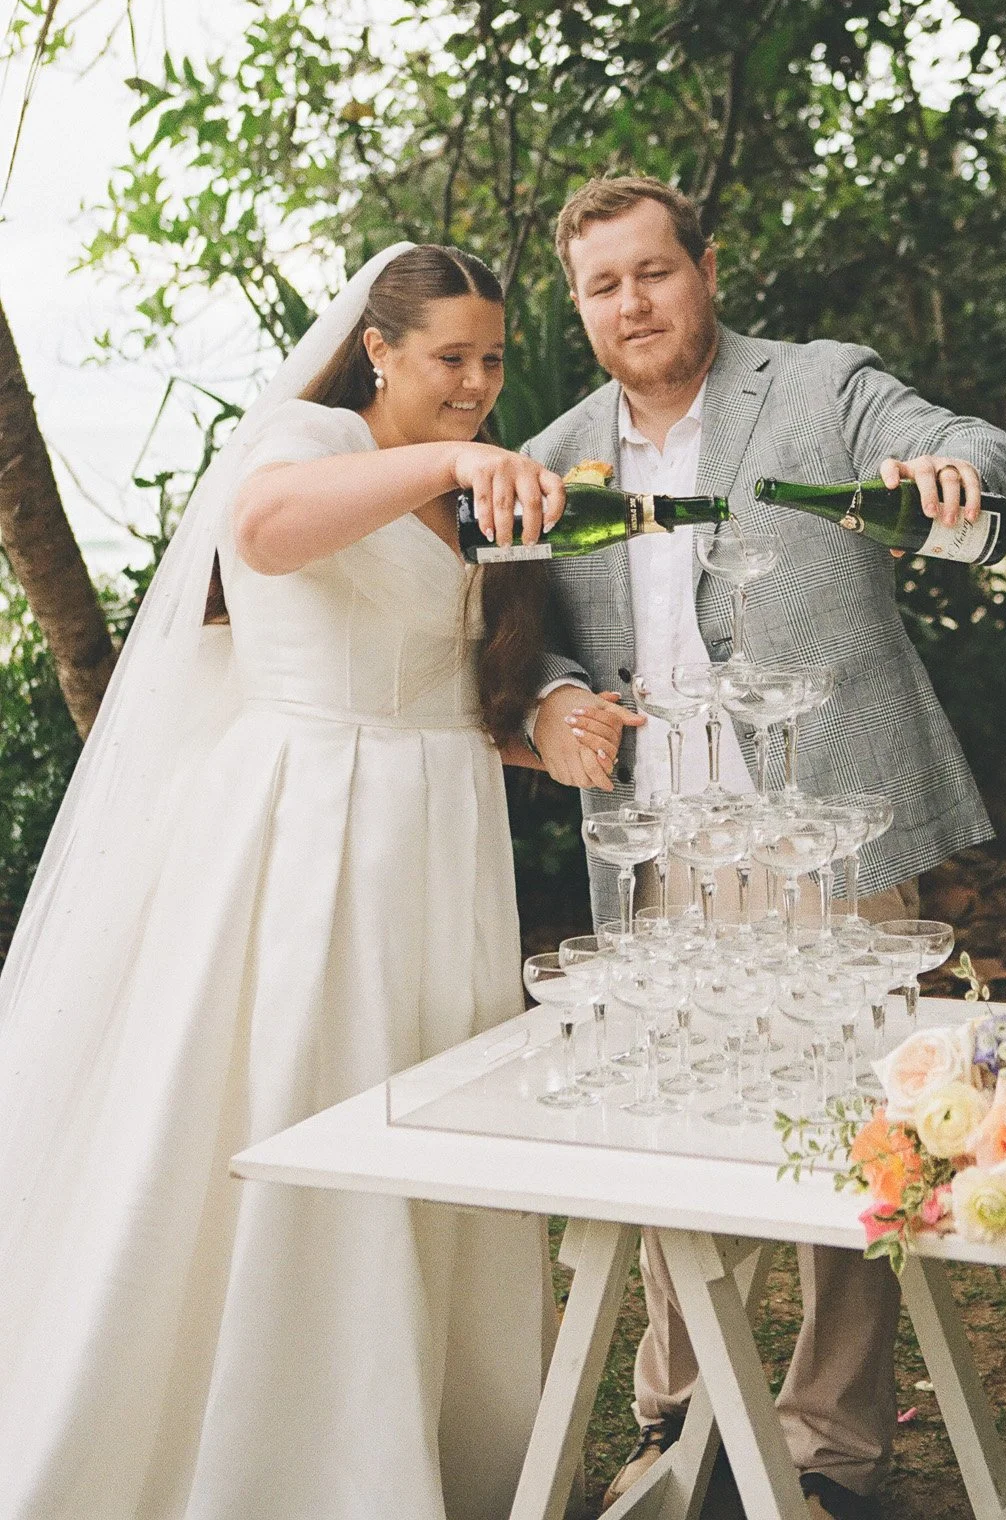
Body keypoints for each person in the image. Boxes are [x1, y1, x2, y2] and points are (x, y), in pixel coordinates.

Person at [0, 243, 619, 1520]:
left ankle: (430, 1440)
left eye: (493, 358)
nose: (477, 383)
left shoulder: (476, 494)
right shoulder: (305, 434)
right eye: (451, 357)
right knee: (296, 1095)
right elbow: (267, 535)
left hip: (440, 843)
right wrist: (452, 460)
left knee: (427, 1113)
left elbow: (450, 695)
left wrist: (544, 725)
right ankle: (280, 1456)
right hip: (308, 834)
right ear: (378, 349)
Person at [524, 176, 1006, 1520]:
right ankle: (680, 1426)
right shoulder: (559, 456)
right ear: (576, 307)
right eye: (602, 286)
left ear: (707, 264)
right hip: (659, 852)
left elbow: (977, 448)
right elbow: (545, 646)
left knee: (854, 1136)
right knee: (668, 1133)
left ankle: (831, 1448)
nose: (633, 304)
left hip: (831, 829)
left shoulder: (817, 387)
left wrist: (956, 477)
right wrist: (555, 700)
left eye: (654, 272)